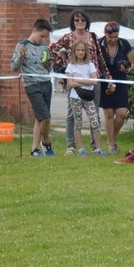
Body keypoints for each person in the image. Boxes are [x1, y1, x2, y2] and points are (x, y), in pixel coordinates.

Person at [50, 10, 111, 154]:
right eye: (76, 20)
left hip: (93, 79)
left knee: (94, 113)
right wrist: (62, 64)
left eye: (82, 20)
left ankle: (96, 146)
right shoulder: (67, 37)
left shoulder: (93, 37)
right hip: (74, 81)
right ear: (73, 22)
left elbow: (100, 59)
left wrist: (108, 79)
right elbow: (52, 50)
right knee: (72, 115)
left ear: (87, 22)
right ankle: (71, 146)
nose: (80, 22)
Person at [11, 18, 54, 157]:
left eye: (45, 37)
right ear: (34, 30)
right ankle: (46, 143)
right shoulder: (22, 45)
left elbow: (48, 68)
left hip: (46, 83)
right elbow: (14, 67)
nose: (43, 39)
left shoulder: (44, 47)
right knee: (45, 117)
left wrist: (49, 63)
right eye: (41, 36)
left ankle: (34, 149)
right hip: (32, 85)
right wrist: (20, 56)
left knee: (40, 118)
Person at [99, 21, 134, 154]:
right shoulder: (99, 44)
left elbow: (132, 63)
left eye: (115, 37)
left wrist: (127, 68)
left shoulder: (124, 44)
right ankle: (111, 144)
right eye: (110, 37)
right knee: (109, 114)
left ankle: (112, 138)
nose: (113, 40)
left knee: (121, 113)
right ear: (105, 34)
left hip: (121, 80)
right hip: (105, 80)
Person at [65, 40, 105, 156]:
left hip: (88, 98)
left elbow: (94, 81)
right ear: (74, 51)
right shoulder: (71, 66)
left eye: (83, 50)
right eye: (78, 50)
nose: (80, 52)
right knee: (78, 123)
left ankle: (98, 148)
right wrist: (86, 82)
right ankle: (81, 149)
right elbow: (70, 84)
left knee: (94, 121)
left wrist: (78, 80)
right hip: (75, 98)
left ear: (86, 51)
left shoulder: (90, 65)